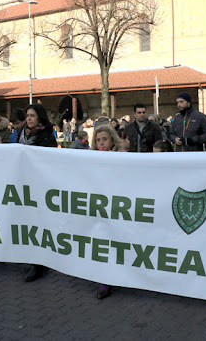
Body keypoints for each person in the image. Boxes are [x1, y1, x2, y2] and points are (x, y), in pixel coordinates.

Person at [17, 104, 57, 281]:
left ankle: (39, 263)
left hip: (39, 185)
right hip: (23, 183)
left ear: (40, 117)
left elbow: (49, 160)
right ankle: (31, 258)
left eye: (32, 115)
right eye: (27, 116)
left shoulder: (47, 136)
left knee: (39, 223)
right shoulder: (22, 134)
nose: (29, 119)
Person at [90, 125, 124, 299]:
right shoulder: (90, 158)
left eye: (104, 139)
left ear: (112, 140)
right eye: (98, 140)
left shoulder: (122, 158)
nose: (101, 142)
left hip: (117, 207)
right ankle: (103, 278)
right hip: (99, 207)